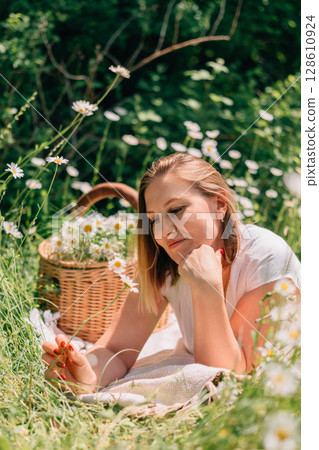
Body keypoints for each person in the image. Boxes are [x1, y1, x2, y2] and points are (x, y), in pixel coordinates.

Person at [41, 153, 301, 394]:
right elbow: (116, 350)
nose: (164, 231)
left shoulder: (267, 256)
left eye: (176, 210)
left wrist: (206, 287)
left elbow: (230, 376)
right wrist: (86, 373)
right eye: (153, 219)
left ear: (219, 204)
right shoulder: (166, 264)